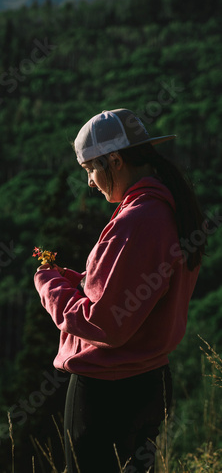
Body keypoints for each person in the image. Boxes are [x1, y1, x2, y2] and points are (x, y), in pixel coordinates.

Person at [34, 109, 205, 472]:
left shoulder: (138, 220)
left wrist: (49, 284)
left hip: (107, 391)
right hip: (149, 381)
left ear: (115, 159)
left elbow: (105, 325)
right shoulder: (169, 207)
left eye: (90, 170)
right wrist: (79, 282)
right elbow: (133, 292)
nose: (91, 183)